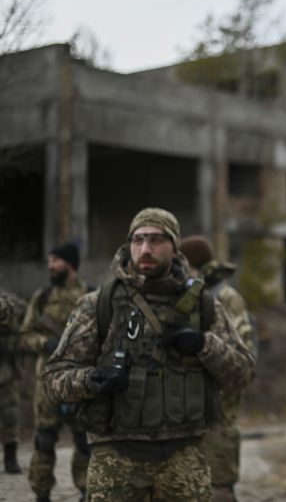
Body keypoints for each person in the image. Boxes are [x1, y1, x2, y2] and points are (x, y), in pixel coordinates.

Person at [43, 207, 255, 502]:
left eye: (156, 240)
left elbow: (243, 374)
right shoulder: (99, 304)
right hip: (115, 459)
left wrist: (204, 345)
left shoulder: (203, 306)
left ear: (175, 247)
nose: (145, 249)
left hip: (184, 458)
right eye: (138, 239)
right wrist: (93, 379)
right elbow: (53, 379)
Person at [180, 235, 257, 502]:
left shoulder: (225, 297)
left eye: (184, 265)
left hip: (220, 406)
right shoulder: (190, 294)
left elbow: (242, 355)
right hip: (193, 407)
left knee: (218, 487)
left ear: (195, 266)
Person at [19, 242, 91, 502]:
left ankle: (86, 489)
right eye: (49, 260)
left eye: (55, 260)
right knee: (45, 439)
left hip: (80, 380)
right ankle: (41, 492)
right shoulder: (42, 297)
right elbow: (25, 334)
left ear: (69, 264)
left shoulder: (91, 296)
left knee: (85, 439)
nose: (50, 265)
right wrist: (45, 343)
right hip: (47, 382)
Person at [0, 287, 27, 474]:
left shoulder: (10, 302)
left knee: (10, 414)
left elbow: (26, 316)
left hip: (6, 368)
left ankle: (11, 457)